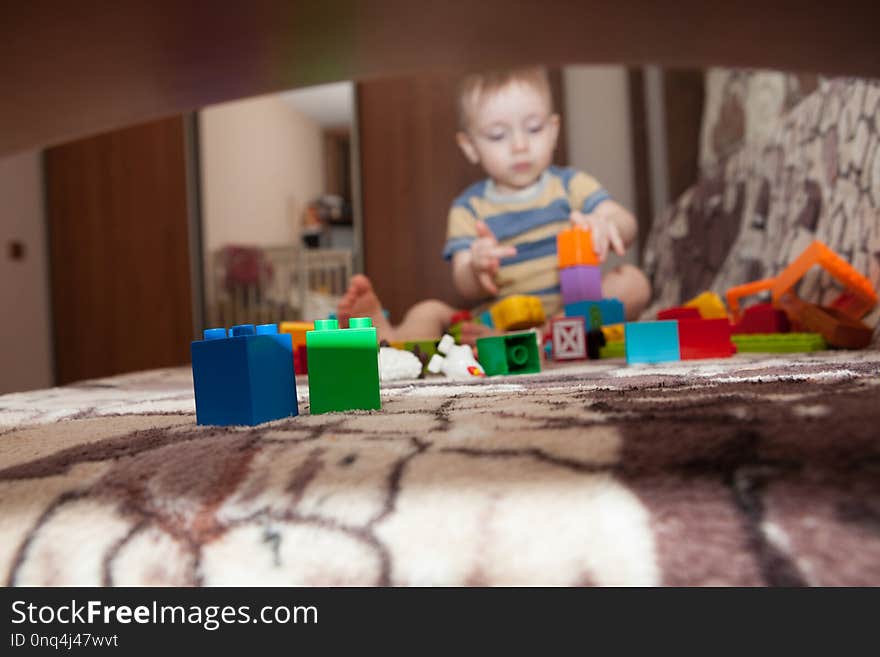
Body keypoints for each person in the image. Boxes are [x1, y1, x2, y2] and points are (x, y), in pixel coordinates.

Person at [338, 67, 651, 344]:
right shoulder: (469, 208)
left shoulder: (571, 186)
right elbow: (465, 284)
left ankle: (551, 336)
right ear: (471, 146)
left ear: (554, 131)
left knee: (633, 282)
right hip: (496, 322)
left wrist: (607, 222)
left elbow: (625, 223)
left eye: (533, 128)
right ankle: (392, 340)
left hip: (572, 312)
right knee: (429, 311)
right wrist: (476, 265)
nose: (519, 145)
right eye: (498, 135)